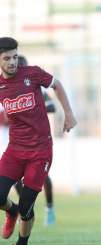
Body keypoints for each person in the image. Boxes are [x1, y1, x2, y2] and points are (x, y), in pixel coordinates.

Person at [0, 37, 77, 245]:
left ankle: (22, 244)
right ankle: (10, 211)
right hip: (15, 150)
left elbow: (57, 85)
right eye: (7, 58)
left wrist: (69, 113)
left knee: (27, 206)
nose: (12, 62)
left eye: (15, 57)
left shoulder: (32, 74)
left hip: (40, 151)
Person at [12, 54, 56, 226]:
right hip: (15, 141)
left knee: (43, 176)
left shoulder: (36, 87)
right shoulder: (5, 88)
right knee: (15, 179)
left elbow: (52, 107)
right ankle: (27, 210)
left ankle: (49, 208)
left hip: (38, 140)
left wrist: (33, 108)